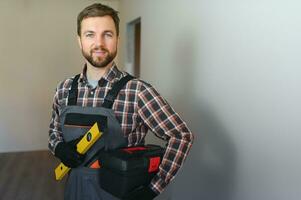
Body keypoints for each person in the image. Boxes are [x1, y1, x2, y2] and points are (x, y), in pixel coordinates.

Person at [48, 3, 193, 200]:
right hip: (75, 190)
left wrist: (152, 189)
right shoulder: (64, 89)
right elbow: (54, 133)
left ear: (117, 39)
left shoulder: (137, 91)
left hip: (119, 194)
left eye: (107, 34)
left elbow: (181, 135)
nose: (99, 43)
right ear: (79, 40)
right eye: (90, 34)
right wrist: (59, 147)